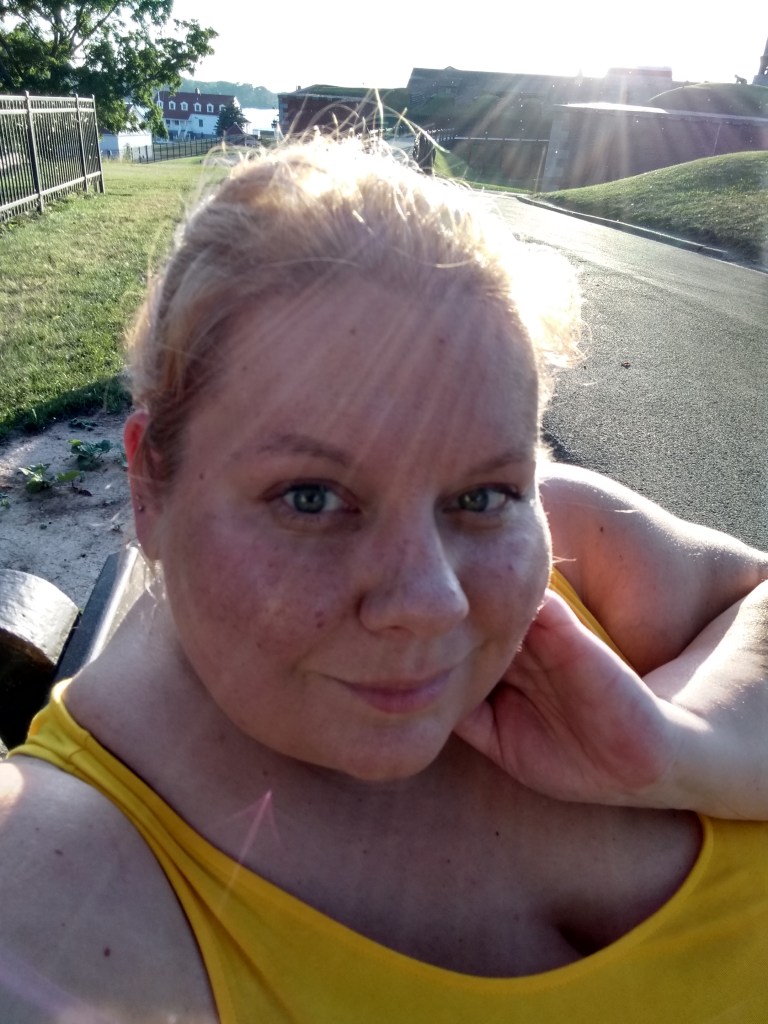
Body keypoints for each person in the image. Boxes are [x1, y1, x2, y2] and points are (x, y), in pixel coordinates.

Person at [0, 137, 767, 1022]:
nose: (432, 602)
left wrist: (680, 750)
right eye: (311, 497)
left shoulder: (574, 542)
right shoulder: (60, 878)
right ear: (148, 484)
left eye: (483, 493)